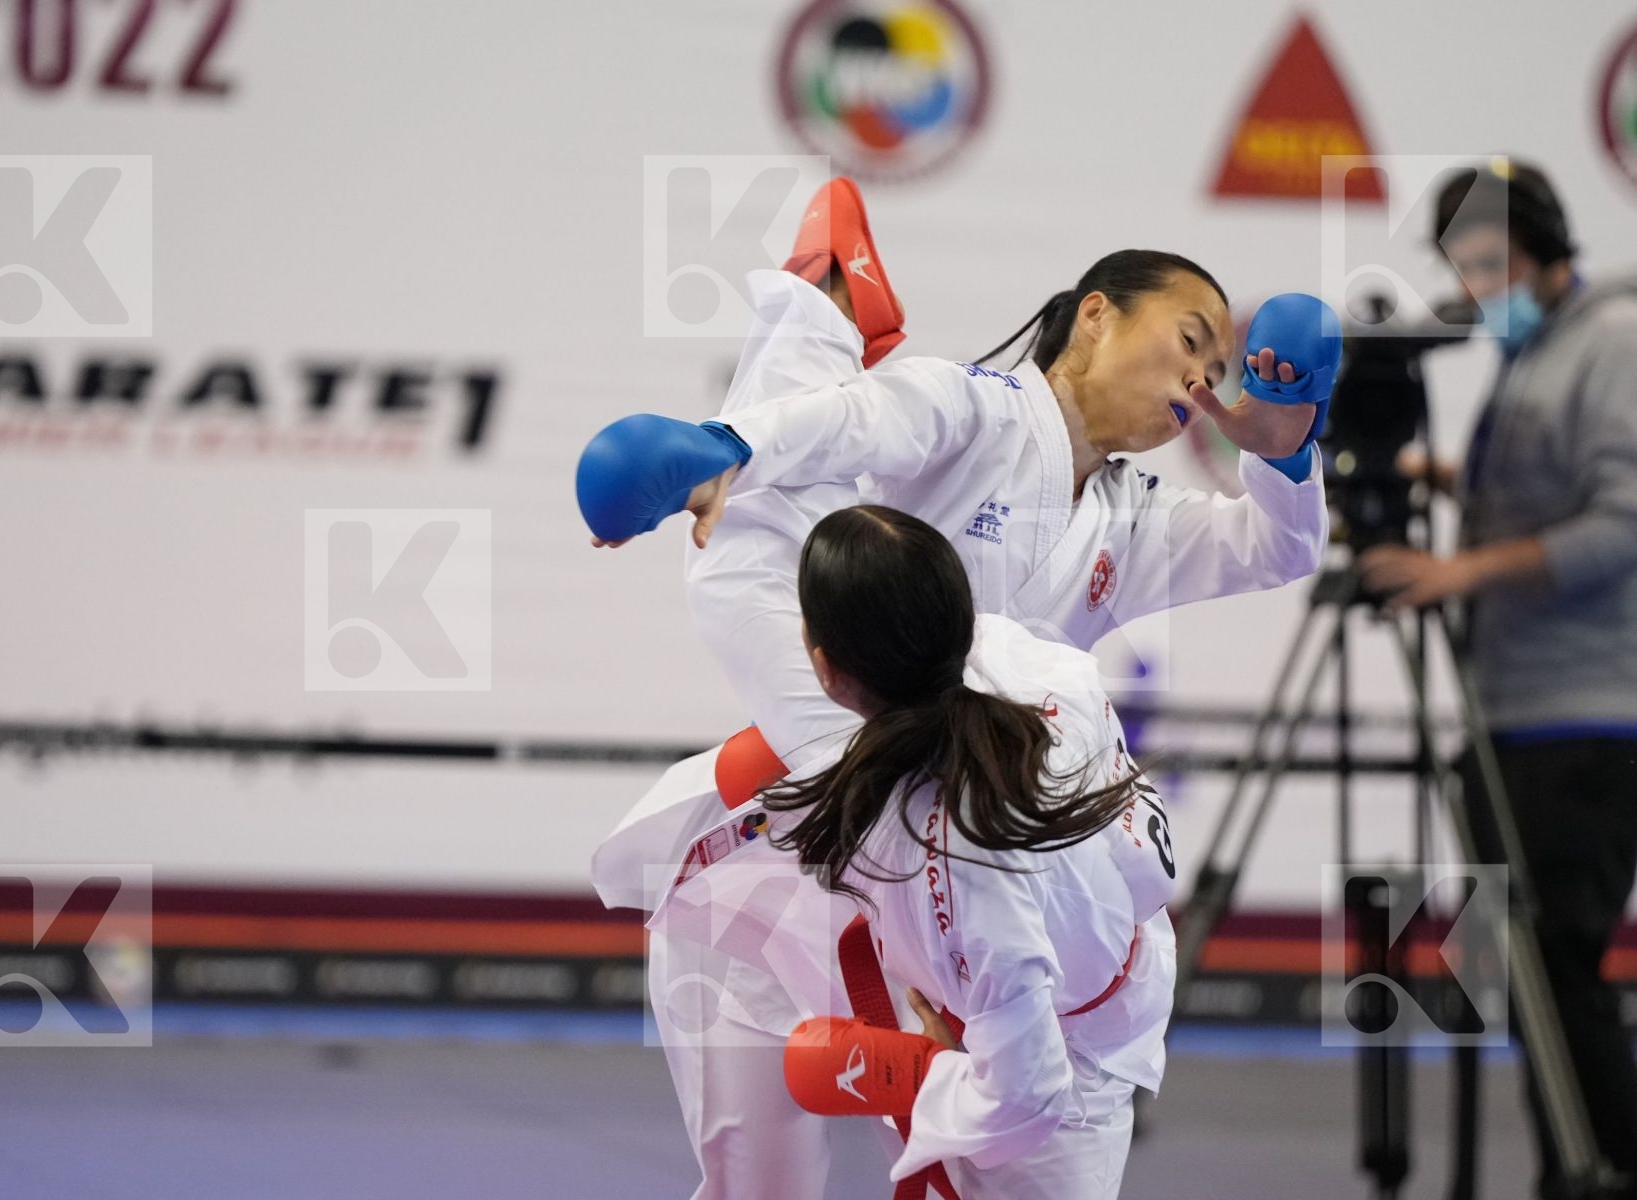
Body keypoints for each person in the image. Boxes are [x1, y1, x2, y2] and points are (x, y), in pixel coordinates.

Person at [580, 178, 1338, 1199]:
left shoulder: (1133, 517)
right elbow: (861, 423)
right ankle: (815, 313)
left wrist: (1285, 443)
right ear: (1096, 314)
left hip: (949, 883)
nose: (1205, 375)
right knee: (750, 564)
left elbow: (1273, 549)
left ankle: (821, 305)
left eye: (1220, 360)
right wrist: (732, 449)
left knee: (995, 1148)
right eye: (1190, 335)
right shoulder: (977, 408)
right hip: (815, 840)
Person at [649, 505, 1176, 1199]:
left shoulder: (942, 855)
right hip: (1096, 960)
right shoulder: (1038, 661)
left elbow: (1031, 1093)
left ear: (827, 671)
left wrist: (924, 1073)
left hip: (1061, 1073)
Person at [1358, 158, 1637, 1198]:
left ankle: (1605, 1169)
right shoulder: (1543, 353)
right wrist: (1428, 476)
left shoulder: (1611, 341)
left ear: (1543, 245)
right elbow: (1543, 488)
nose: (1477, 288)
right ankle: (1574, 1169)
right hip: (1515, 714)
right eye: (1463, 268)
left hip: (1585, 720)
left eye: (1490, 264)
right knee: (1523, 980)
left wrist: (1458, 569)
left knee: (1556, 971)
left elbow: (1622, 521)